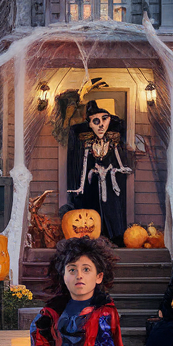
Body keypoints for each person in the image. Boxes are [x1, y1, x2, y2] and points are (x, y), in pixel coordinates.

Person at [66, 101, 131, 243]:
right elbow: (81, 166)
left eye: (105, 119)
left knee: (112, 208)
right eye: (96, 121)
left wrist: (116, 171)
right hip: (92, 185)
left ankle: (113, 237)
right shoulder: (86, 145)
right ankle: (94, 238)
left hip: (110, 183)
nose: (101, 125)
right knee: (92, 211)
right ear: (89, 124)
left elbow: (120, 161)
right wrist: (80, 185)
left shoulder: (113, 143)